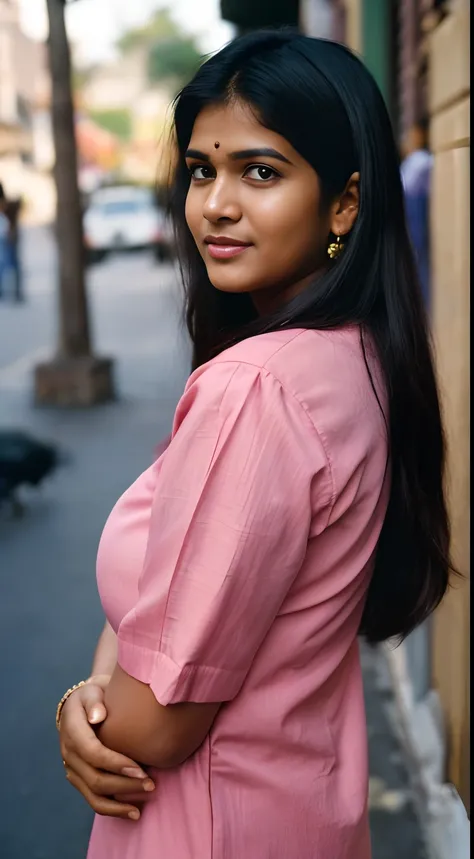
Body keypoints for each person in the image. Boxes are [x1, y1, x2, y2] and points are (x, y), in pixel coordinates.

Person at [57, 31, 452, 859]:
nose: (215, 204)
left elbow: (158, 722)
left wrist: (79, 710)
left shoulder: (258, 389)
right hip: (299, 813)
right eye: (203, 169)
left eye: (260, 172)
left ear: (345, 202)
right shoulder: (353, 358)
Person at [400, 118, 433, 310]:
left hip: (417, 215)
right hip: (411, 215)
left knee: (419, 260)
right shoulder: (412, 162)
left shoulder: (422, 161)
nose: (407, 141)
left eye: (411, 136)